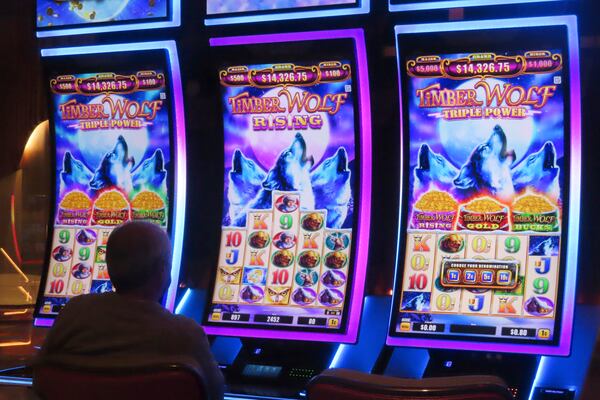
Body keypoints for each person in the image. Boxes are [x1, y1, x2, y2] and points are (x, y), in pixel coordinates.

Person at [36, 221, 224, 400]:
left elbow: (41, 378)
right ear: (162, 270)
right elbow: (214, 394)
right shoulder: (185, 334)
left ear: (109, 267)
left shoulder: (73, 315)